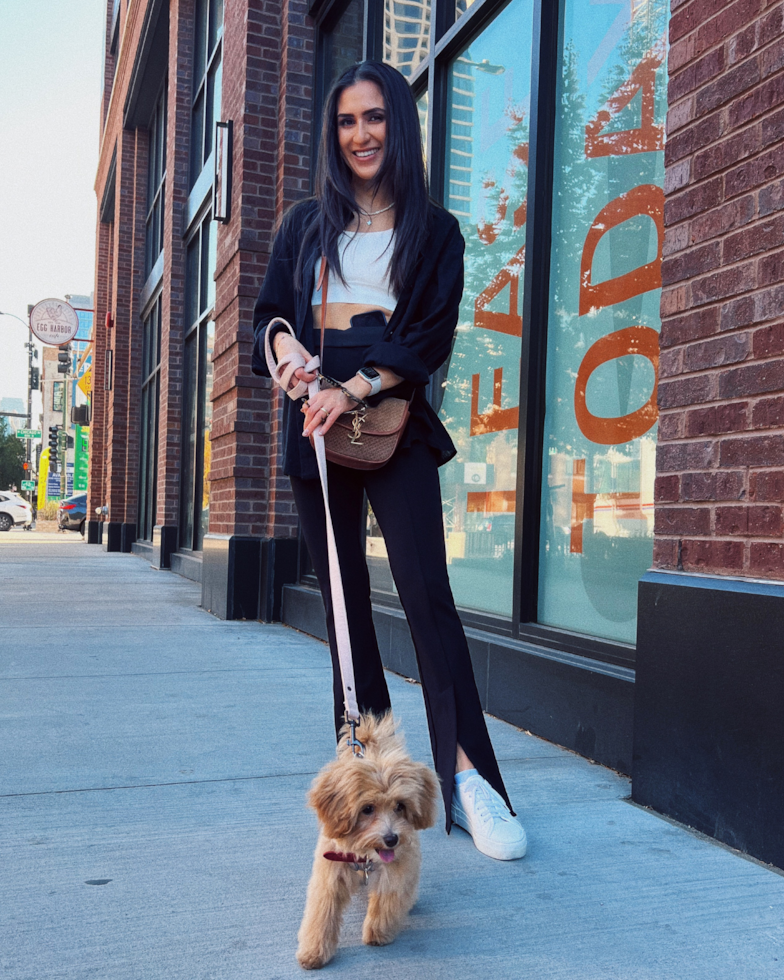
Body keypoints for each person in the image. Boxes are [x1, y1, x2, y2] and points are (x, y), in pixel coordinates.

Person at [252, 60, 526, 861]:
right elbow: (269, 311)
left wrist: (358, 386)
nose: (360, 134)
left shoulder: (434, 231)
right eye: (346, 122)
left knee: (429, 603)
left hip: (393, 427)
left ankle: (472, 781)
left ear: (397, 127)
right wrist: (290, 360)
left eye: (374, 118)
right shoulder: (305, 224)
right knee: (344, 617)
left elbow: (427, 336)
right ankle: (369, 798)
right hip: (314, 435)